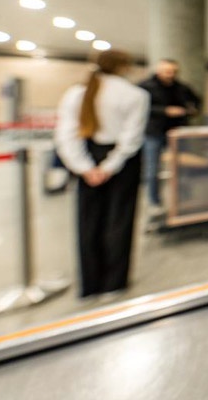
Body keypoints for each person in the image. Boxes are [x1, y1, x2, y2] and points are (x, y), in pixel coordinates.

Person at [54, 50, 149, 299]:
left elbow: (66, 134)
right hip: (122, 160)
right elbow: (131, 138)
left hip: (88, 156)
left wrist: (84, 167)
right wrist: (109, 166)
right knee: (120, 219)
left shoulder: (76, 93)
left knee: (88, 220)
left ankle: (90, 283)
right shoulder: (135, 95)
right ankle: (114, 282)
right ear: (124, 67)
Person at [138, 59, 201, 209]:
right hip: (154, 131)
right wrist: (165, 111)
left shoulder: (181, 87)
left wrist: (192, 111)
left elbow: (197, 100)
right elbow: (140, 107)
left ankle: (183, 198)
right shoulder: (146, 86)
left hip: (177, 131)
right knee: (152, 169)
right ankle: (154, 201)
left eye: (173, 71)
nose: (170, 74)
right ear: (159, 70)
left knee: (182, 167)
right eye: (167, 71)